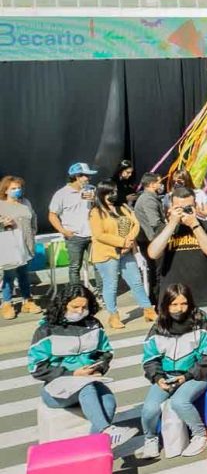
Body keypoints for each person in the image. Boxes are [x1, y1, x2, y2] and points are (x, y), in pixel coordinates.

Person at [27, 284, 138, 448]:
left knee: (109, 402)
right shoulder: (46, 330)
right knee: (86, 387)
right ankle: (106, 431)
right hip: (56, 389)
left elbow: (105, 352)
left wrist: (98, 368)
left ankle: (93, 449)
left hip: (88, 381)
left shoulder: (94, 325)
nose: (79, 311)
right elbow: (36, 367)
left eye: (84, 307)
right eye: (75, 307)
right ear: (63, 304)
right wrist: (72, 374)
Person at [133, 283, 207, 459]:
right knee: (149, 409)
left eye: (184, 303)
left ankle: (200, 435)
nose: (179, 309)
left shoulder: (203, 324)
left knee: (179, 402)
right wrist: (157, 378)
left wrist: (187, 376)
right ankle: (150, 439)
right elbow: (149, 358)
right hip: (167, 377)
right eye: (174, 304)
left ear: (190, 304)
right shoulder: (158, 328)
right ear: (165, 305)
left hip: (195, 376)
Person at [88, 180, 154, 330]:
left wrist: (129, 241)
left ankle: (148, 310)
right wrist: (121, 242)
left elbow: (135, 224)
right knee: (111, 285)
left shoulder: (123, 207)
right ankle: (113, 315)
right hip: (107, 253)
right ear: (102, 194)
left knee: (136, 282)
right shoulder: (96, 212)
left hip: (126, 251)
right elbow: (99, 235)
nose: (114, 194)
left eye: (115, 191)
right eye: (110, 192)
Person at [49, 163, 98, 289]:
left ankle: (103, 294)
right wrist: (64, 231)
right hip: (74, 236)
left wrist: (95, 200)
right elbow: (52, 215)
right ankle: (76, 294)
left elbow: (100, 209)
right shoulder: (61, 194)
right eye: (86, 176)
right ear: (76, 176)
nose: (88, 179)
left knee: (99, 264)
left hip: (93, 235)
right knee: (75, 267)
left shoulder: (91, 189)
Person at [0, 175, 41, 319]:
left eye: (19, 188)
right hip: (9, 247)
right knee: (9, 276)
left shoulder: (26, 202)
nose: (17, 191)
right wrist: (2, 224)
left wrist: (33, 234)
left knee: (24, 275)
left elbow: (33, 219)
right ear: (5, 190)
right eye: (13, 188)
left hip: (26, 246)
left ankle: (27, 301)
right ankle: (6, 303)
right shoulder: (1, 205)